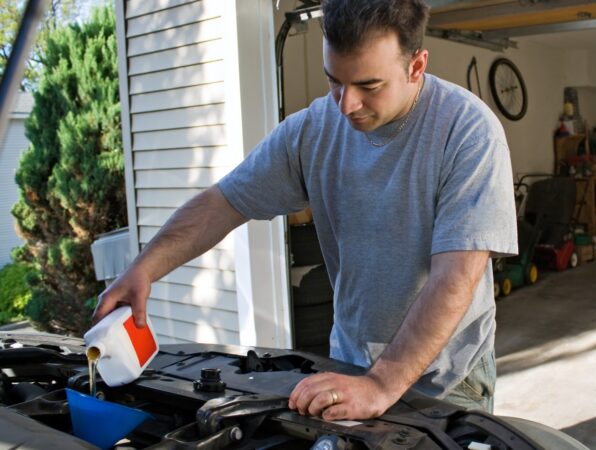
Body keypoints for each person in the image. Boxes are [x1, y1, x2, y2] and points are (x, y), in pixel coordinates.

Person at [93, 0, 517, 421]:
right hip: (351, 361)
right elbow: (223, 202)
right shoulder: (313, 131)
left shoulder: (468, 132)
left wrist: (382, 384)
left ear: (416, 66)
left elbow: (456, 277)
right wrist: (143, 270)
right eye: (334, 81)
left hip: (447, 378)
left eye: (369, 86)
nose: (346, 104)